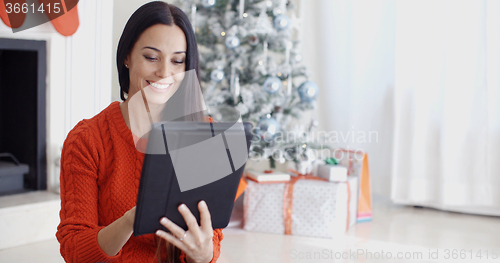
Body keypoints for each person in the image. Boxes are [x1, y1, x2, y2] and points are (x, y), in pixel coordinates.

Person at [56, 2, 225, 262]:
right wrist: (130, 221)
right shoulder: (87, 139)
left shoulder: (204, 134)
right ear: (127, 56)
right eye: (151, 57)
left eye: (177, 61)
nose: (164, 73)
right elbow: (75, 250)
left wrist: (202, 254)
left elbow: (210, 244)